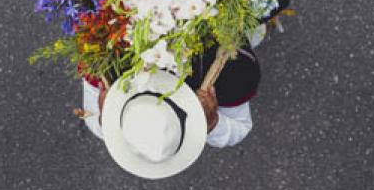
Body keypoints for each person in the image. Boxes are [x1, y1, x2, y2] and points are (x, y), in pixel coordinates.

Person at [82, 48, 259, 178]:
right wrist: (213, 123)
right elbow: (241, 126)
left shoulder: (103, 59)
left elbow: (92, 119)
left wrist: (104, 117)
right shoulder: (231, 74)